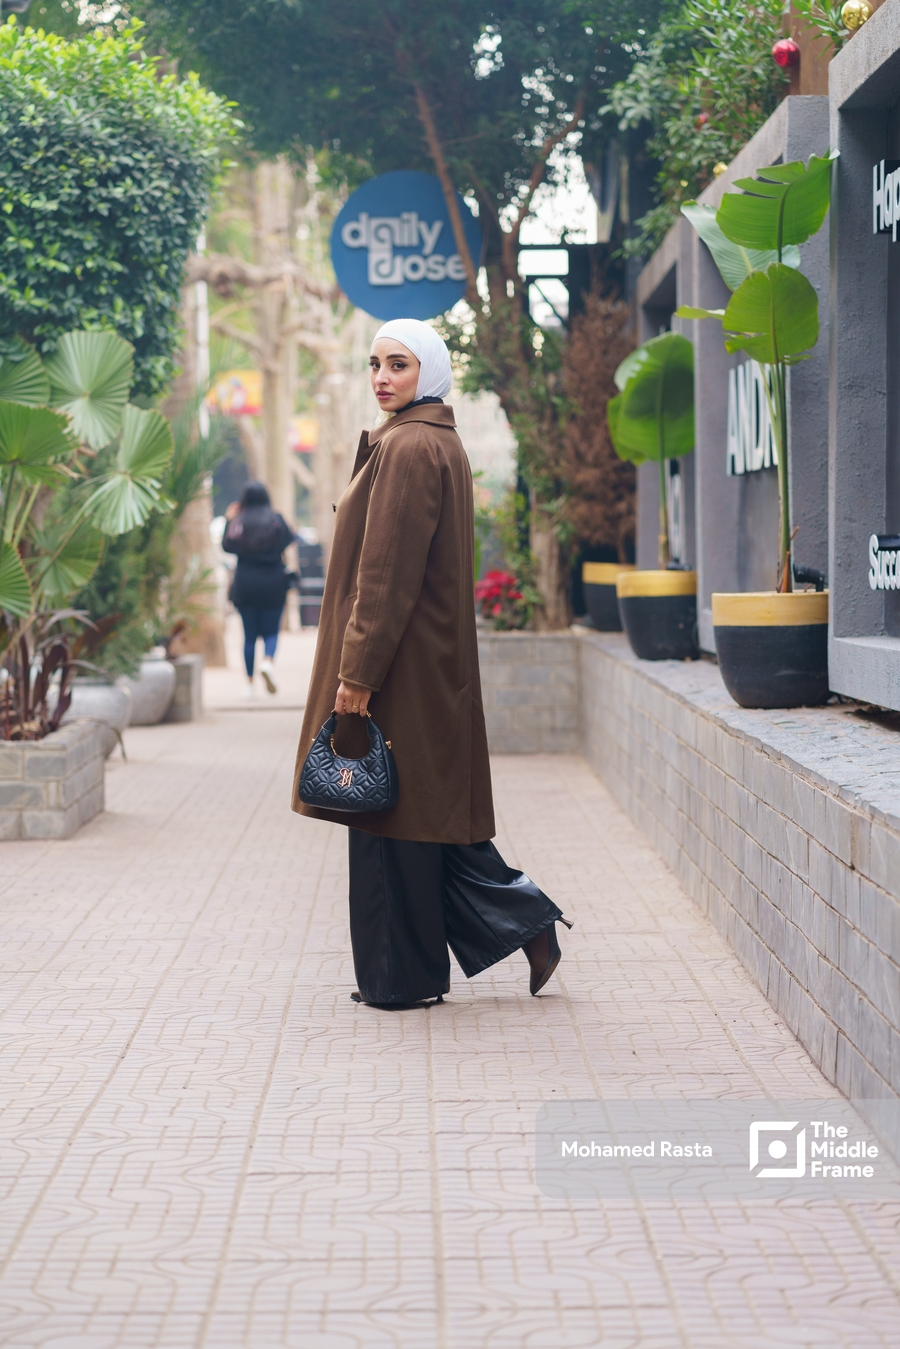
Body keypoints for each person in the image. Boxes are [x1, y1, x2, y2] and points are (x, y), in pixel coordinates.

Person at [292, 318, 571, 1008]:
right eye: (375, 364)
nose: (383, 377)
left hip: (397, 671)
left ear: (431, 374)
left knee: (390, 820)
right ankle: (522, 926)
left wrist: (355, 677)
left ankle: (403, 979)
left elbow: (384, 578)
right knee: (418, 820)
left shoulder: (412, 448)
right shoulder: (426, 440)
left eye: (399, 365)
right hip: (417, 665)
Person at [223, 481, 296, 699]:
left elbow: (227, 546)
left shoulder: (239, 522)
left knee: (249, 636)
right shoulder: (275, 520)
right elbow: (289, 540)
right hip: (273, 582)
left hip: (246, 584)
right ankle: (268, 663)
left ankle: (249, 684)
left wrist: (229, 519)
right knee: (272, 631)